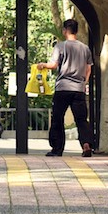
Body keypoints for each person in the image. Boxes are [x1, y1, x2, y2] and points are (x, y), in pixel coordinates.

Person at [38, 19, 94, 157]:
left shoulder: (60, 46)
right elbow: (88, 69)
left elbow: (54, 65)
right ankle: (86, 144)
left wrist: (42, 65)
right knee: (81, 119)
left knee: (58, 118)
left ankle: (57, 149)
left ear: (64, 31)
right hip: (78, 89)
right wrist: (83, 83)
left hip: (63, 88)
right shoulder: (85, 48)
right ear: (77, 31)